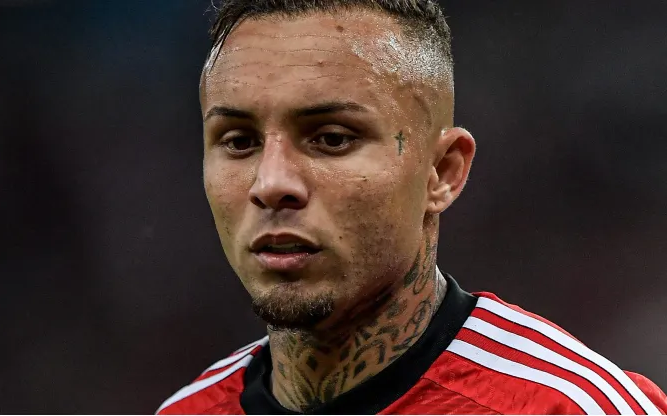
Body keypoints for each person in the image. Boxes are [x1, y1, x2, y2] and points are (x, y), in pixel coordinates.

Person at [157, 0, 667, 414]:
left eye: (332, 138)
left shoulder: (569, 407)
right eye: (239, 141)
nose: (271, 183)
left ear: (441, 172)